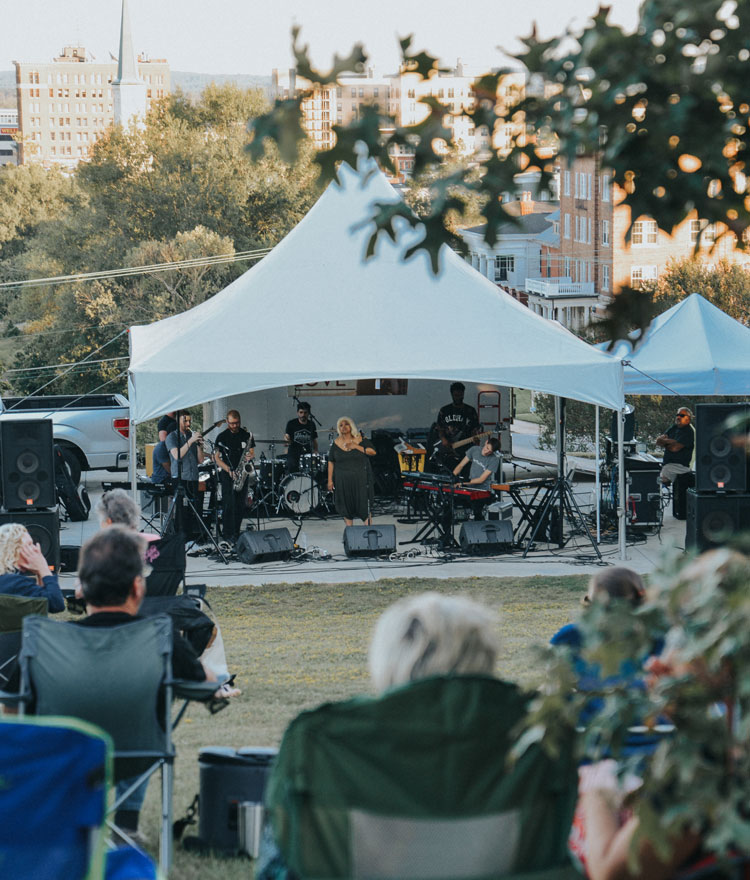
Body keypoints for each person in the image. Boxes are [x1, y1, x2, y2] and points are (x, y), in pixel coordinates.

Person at [76, 526, 215, 845]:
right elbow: (202, 682)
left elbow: (15, 706)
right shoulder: (162, 636)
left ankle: (74, 821)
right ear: (138, 589)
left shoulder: (48, 640)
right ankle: (126, 824)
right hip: (136, 751)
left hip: (65, 751)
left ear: (81, 589)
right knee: (143, 715)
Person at [0, 523, 64, 613]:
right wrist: (43, 568)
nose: (35, 549)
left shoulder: (8, 580)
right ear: (13, 549)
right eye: (29, 545)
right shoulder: (16, 583)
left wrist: (39, 573)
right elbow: (56, 604)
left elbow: (42, 599)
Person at [213, 410, 255, 543]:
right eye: (231, 423)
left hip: (242, 472)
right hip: (227, 474)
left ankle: (236, 532)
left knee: (239, 505)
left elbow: (251, 452)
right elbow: (216, 458)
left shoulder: (247, 435)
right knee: (228, 504)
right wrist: (228, 470)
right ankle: (227, 534)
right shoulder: (221, 437)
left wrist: (250, 456)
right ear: (227, 422)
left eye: (237, 423)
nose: (234, 426)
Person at [326, 416, 376, 525]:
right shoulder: (336, 443)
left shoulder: (361, 439)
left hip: (360, 479)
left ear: (351, 425)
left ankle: (368, 533)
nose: (344, 427)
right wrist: (330, 480)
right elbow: (331, 461)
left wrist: (355, 446)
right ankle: (350, 533)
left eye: (346, 424)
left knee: (363, 505)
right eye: (341, 425)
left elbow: (372, 452)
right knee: (345, 506)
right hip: (342, 480)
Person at [165, 412, 204, 538]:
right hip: (180, 477)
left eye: (189, 421)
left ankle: (194, 535)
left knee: (195, 508)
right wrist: (191, 441)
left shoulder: (190, 436)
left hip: (193, 477)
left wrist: (199, 446)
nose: (188, 424)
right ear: (178, 420)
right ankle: (181, 536)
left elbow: (201, 460)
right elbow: (177, 455)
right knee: (181, 509)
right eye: (185, 421)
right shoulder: (171, 437)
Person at [432, 382, 481, 472]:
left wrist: (476, 438)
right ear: (452, 394)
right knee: (449, 470)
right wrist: (444, 440)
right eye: (456, 395)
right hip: (448, 449)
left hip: (465, 447)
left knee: (466, 470)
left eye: (460, 395)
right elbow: (439, 428)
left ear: (463, 394)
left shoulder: (470, 410)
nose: (458, 397)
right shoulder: (444, 410)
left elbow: (475, 428)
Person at [452, 435, 502, 518]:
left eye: (489, 451)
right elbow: (460, 465)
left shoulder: (494, 460)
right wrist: (452, 477)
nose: (486, 452)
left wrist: (463, 483)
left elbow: (481, 480)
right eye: (486, 448)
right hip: (469, 487)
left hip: (482, 490)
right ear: (486, 442)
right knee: (449, 504)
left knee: (478, 513)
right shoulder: (474, 449)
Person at [656, 407, 694, 486]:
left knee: (664, 473)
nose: (678, 417)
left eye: (682, 415)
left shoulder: (688, 431)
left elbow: (674, 448)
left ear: (688, 418)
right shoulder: (673, 427)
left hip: (681, 466)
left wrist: (665, 442)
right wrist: (671, 442)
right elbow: (658, 441)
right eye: (678, 415)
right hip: (668, 463)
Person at [284, 402, 318, 474]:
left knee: (313, 470)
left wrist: (316, 451)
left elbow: (314, 440)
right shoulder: (291, 423)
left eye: (305, 412)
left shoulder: (312, 424)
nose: (303, 415)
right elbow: (287, 436)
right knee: (291, 467)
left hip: (307, 453)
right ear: (297, 413)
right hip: (294, 453)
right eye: (301, 412)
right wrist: (287, 440)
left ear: (309, 413)